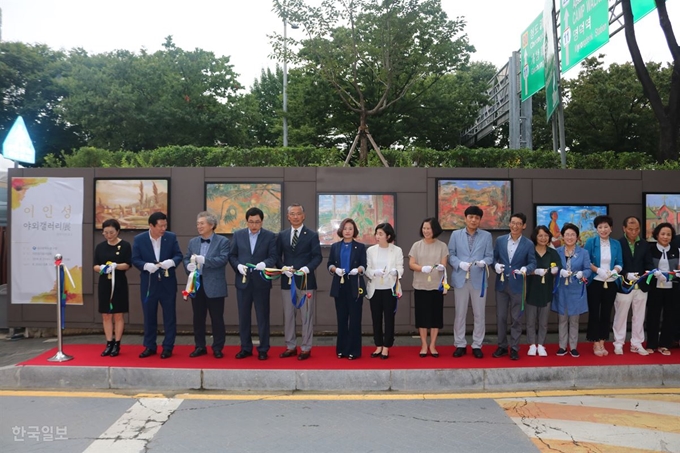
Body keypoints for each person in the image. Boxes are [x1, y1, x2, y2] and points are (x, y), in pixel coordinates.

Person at [228, 207, 277, 360]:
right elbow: (232, 255)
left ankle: (263, 349)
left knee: (262, 317)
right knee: (243, 317)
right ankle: (245, 348)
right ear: (247, 221)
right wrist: (238, 266)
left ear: (262, 222)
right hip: (243, 282)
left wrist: (265, 263)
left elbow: (273, 256)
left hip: (261, 283)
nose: (254, 225)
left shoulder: (270, 236)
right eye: (251, 222)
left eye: (257, 222)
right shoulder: (238, 235)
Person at [131, 212, 183, 359]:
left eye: (165, 225)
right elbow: (135, 259)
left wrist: (171, 262)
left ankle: (168, 347)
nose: (163, 228)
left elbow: (178, 255)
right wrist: (145, 266)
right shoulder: (140, 239)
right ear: (151, 226)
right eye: (160, 226)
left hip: (167, 283)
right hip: (149, 284)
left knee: (169, 316)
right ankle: (150, 346)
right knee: (149, 316)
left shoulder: (170, 237)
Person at [276, 204, 323, 361]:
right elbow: (276, 257)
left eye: (298, 214)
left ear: (303, 216)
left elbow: (317, 257)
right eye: (292, 214)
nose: (295, 216)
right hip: (287, 281)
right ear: (288, 216)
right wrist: (283, 268)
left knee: (306, 316)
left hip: (306, 281)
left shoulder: (311, 235)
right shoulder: (281, 235)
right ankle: (290, 346)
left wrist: (306, 269)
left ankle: (306, 347)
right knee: (288, 315)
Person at [447, 205, 493, 359]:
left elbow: (489, 257)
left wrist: (483, 263)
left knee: (479, 314)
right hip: (461, 278)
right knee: (460, 313)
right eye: (471, 217)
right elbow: (451, 255)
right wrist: (459, 263)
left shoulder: (486, 236)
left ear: (480, 220)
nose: (473, 220)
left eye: (477, 218)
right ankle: (459, 343)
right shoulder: (455, 234)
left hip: (479, 279)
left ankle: (477, 344)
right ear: (465, 218)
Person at [182, 211, 230, 359]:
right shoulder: (193, 242)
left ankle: (217, 347)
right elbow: (186, 258)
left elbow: (223, 259)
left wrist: (205, 261)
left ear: (211, 225)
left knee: (217, 318)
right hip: (197, 284)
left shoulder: (223, 241)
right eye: (197, 224)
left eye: (202, 223)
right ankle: (200, 346)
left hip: (215, 285)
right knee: (198, 318)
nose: (199, 226)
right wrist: (188, 266)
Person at [492, 213, 537, 361]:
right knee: (501, 317)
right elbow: (493, 258)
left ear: (523, 226)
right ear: (509, 224)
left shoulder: (528, 244)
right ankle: (502, 346)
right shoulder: (500, 240)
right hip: (502, 284)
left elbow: (532, 263)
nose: (515, 226)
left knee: (516, 318)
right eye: (512, 223)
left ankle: (515, 347)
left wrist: (526, 269)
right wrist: (495, 265)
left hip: (518, 285)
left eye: (518, 223)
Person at [408, 218, 448, 358]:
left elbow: (444, 264)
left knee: (435, 316)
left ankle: (433, 345)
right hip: (420, 285)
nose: (426, 231)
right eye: (424, 228)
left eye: (429, 228)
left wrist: (441, 267)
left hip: (436, 286)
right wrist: (421, 268)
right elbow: (411, 264)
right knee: (422, 317)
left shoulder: (442, 246)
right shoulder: (416, 245)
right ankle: (424, 344)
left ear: (435, 229)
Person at [612, 216, 653, 356]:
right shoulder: (618, 244)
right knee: (621, 316)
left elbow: (649, 263)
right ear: (624, 229)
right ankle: (618, 343)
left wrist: (647, 273)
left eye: (636, 229)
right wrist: (625, 274)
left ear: (640, 229)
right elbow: (615, 264)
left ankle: (636, 343)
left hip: (641, 286)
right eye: (630, 229)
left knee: (639, 317)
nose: (633, 232)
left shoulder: (644, 244)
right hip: (624, 285)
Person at [584, 215, 623, 357]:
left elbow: (620, 263)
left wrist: (614, 271)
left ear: (611, 228)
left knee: (606, 313)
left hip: (611, 283)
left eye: (606, 227)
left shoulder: (616, 244)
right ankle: (595, 342)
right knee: (594, 312)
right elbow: (586, 261)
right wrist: (598, 270)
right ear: (596, 229)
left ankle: (602, 341)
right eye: (600, 227)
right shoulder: (591, 242)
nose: (603, 229)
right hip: (595, 282)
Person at [328, 218, 367, 359]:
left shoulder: (360, 247)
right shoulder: (335, 246)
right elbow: (330, 264)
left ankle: (354, 350)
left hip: (355, 285)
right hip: (339, 285)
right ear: (341, 230)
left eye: (350, 228)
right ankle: (342, 349)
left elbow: (364, 265)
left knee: (355, 319)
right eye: (345, 228)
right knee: (342, 319)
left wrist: (359, 270)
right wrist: (335, 269)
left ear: (354, 230)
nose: (348, 231)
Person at [365, 222, 404, 360]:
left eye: (380, 234)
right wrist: (374, 272)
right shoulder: (371, 250)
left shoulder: (397, 250)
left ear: (388, 236)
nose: (377, 236)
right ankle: (378, 345)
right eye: (376, 233)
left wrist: (395, 272)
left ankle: (387, 346)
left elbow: (401, 269)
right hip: (375, 288)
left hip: (390, 289)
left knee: (389, 318)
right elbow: (367, 269)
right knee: (376, 318)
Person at [552, 223, 592, 357]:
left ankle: (573, 347)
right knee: (562, 318)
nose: (570, 237)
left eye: (573, 235)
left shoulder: (583, 252)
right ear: (563, 236)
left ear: (577, 237)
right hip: (561, 289)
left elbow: (588, 269)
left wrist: (583, 274)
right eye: (567, 234)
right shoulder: (557, 251)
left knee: (574, 319)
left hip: (576, 289)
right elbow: (553, 268)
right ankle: (562, 346)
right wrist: (558, 271)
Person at [93, 219, 132, 357]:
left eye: (111, 232)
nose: (108, 235)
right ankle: (109, 342)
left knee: (118, 314)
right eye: (106, 233)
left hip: (119, 283)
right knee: (106, 314)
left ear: (118, 231)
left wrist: (115, 266)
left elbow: (127, 264)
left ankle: (117, 343)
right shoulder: (100, 247)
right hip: (104, 283)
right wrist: (103, 268)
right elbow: (95, 266)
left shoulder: (125, 245)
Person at [526, 225, 560, 357]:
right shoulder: (530, 251)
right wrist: (534, 271)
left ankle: (541, 345)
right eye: (540, 235)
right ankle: (531, 345)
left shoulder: (552, 252)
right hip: (531, 290)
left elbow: (559, 265)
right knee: (530, 321)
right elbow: (524, 267)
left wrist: (555, 270)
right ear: (535, 237)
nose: (543, 238)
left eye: (546, 235)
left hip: (546, 291)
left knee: (543, 321)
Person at [646, 222, 679, 356]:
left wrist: (674, 274)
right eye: (663, 234)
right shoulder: (650, 249)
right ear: (657, 235)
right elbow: (647, 266)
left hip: (672, 288)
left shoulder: (676, 250)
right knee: (653, 315)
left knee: (669, 316)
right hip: (655, 287)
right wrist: (655, 273)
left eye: (668, 234)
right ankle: (652, 344)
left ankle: (665, 344)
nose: (665, 237)